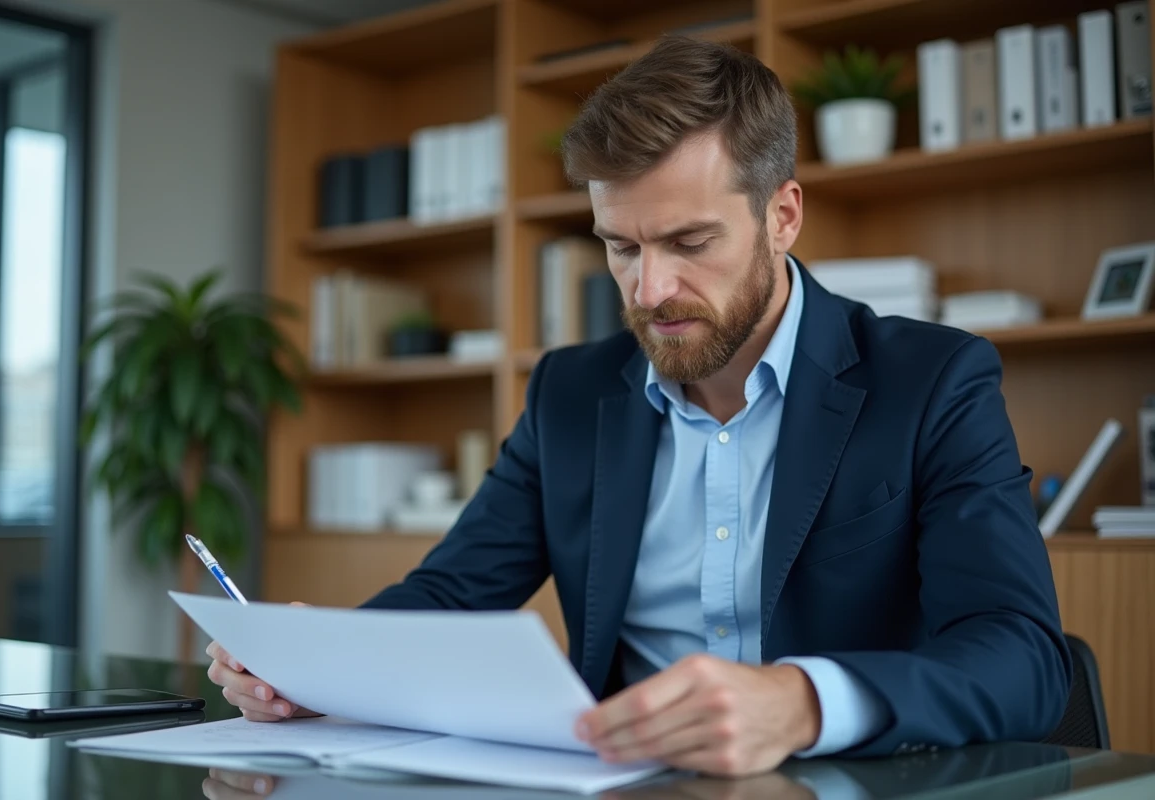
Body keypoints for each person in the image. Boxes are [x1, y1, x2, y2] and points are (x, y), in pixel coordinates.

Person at [206, 35, 1071, 778]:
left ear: (783, 216)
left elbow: (1023, 656)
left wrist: (804, 702)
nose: (651, 290)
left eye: (691, 243)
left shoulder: (932, 382)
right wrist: (316, 665)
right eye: (620, 247)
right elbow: (452, 592)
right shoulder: (570, 392)